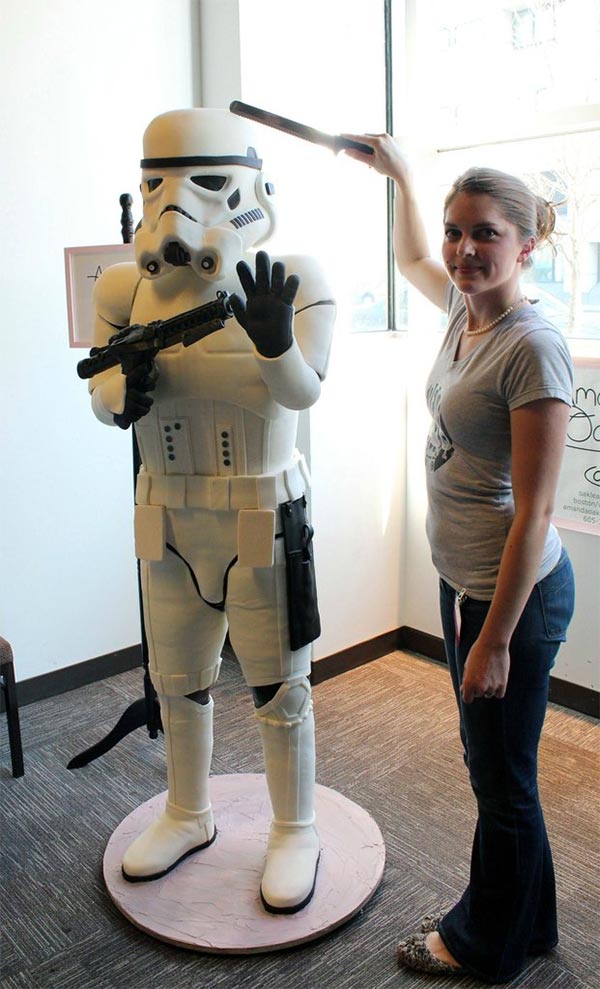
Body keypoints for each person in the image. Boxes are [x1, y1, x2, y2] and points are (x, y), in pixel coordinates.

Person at [87, 108, 335, 913]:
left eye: (206, 183)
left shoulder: (294, 277)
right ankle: (187, 812)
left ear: (251, 187)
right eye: (159, 184)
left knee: (281, 687)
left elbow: (304, 391)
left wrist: (275, 343)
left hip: (261, 512)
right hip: (166, 513)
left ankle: (295, 826)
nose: (177, 208)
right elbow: (102, 394)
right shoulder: (125, 287)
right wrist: (128, 389)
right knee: (177, 680)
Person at [343, 134, 575, 983]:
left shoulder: (531, 346)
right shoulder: (461, 310)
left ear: (527, 243)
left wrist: (496, 639)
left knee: (497, 779)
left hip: (510, 596)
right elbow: (409, 252)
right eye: (455, 231)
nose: (462, 250)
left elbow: (537, 511)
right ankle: (533, 923)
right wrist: (402, 173)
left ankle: (484, 945)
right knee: (502, 768)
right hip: (466, 581)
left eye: (483, 234)